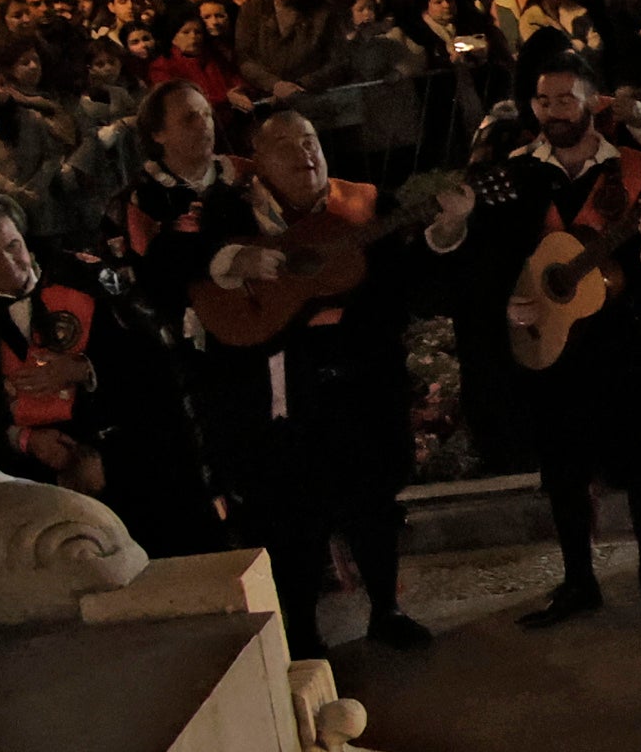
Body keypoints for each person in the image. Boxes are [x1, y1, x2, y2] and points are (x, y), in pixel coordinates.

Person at [190, 107, 463, 658]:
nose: (305, 154)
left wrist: (445, 232)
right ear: (259, 163)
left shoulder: (366, 204)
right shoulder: (229, 211)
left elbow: (411, 285)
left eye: (311, 140)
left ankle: (387, 610)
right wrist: (241, 262)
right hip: (282, 387)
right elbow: (192, 266)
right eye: (287, 147)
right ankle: (304, 634)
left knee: (372, 502)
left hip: (361, 378)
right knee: (292, 515)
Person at [448, 60, 641, 625]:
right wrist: (506, 299)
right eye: (542, 100)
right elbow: (486, 257)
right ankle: (579, 581)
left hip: (621, 338)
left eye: (564, 99)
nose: (552, 110)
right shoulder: (512, 175)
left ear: (591, 103)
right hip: (549, 345)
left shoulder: (634, 169)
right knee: (562, 471)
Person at [0, 194, 217, 560]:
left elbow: (154, 359)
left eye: (14, 247)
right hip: (35, 483)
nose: (10, 263)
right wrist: (26, 440)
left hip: (129, 454)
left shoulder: (86, 277)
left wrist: (85, 369)